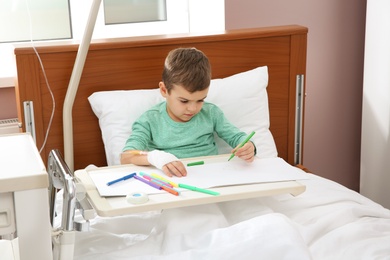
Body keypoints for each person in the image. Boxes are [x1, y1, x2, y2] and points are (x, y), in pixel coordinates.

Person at [120, 47, 256, 177]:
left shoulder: (211, 113)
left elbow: (237, 137)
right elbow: (127, 156)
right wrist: (156, 157)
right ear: (164, 90)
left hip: (212, 176)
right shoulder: (149, 120)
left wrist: (248, 146)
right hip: (173, 181)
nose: (193, 109)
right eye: (184, 101)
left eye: (200, 100)